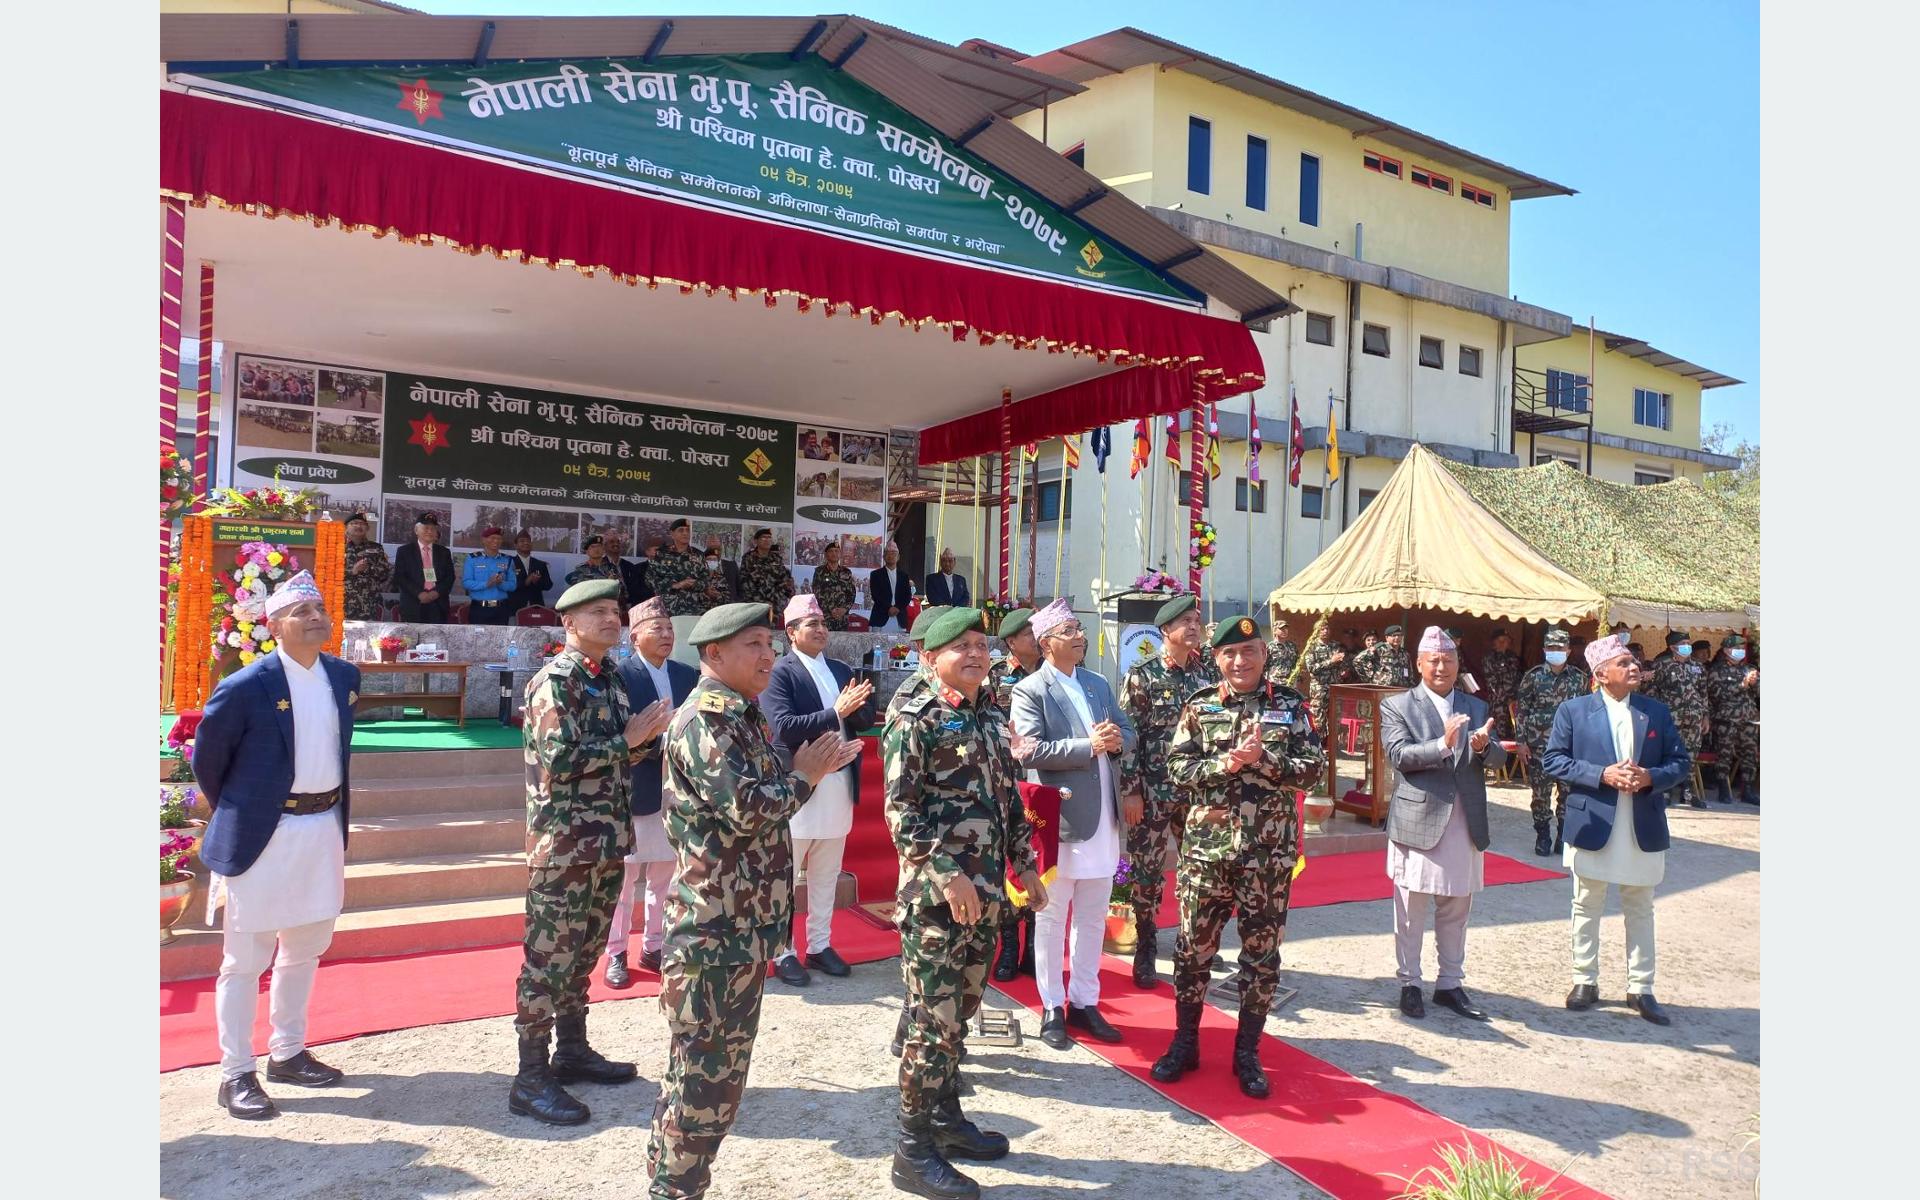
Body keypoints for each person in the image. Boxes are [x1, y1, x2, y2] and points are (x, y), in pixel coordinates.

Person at [647, 603, 859, 1199]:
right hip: (712, 933)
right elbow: (750, 809)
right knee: (704, 1085)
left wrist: (801, 773)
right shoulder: (708, 721)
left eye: (770, 644)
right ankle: (674, 1188)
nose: (768, 656)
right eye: (754, 645)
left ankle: (674, 1181)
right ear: (713, 654)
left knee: (708, 1078)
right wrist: (805, 775)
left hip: (737, 928)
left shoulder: (741, 716)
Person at [884, 607, 1046, 1200]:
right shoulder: (915, 717)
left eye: (981, 644)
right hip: (937, 899)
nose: (976, 654)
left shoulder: (989, 713)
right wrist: (948, 875)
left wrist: (1025, 865)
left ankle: (946, 1119)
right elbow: (901, 810)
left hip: (985, 895)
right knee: (933, 1024)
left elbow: (1008, 799)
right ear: (931, 657)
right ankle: (911, 1150)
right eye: (962, 646)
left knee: (962, 1013)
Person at [194, 572, 359, 1119]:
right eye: (300, 611)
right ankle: (235, 1071)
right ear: (274, 626)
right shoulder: (246, 684)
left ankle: (287, 1053)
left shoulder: (344, 676)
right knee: (245, 960)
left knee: (305, 949)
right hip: (263, 834)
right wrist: (247, 808)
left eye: (319, 608)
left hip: (322, 827)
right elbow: (208, 761)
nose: (315, 617)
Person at [510, 579, 673, 1125]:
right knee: (548, 961)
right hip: (563, 845)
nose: (611, 619)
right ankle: (530, 1077)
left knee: (583, 953)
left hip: (605, 838)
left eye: (614, 611)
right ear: (568, 623)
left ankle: (572, 1050)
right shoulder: (556, 681)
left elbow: (621, 751)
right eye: (597, 611)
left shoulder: (611, 679)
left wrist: (651, 738)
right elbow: (559, 758)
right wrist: (628, 741)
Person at [1154, 614, 1323, 1099]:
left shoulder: (1290, 705)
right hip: (1206, 855)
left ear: (1264, 654)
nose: (1239, 660)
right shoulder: (1200, 705)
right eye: (1229, 653)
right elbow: (1177, 768)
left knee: (1261, 957)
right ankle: (1185, 1042)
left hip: (1267, 857)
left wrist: (1263, 760)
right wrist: (1225, 763)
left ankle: (1247, 1052)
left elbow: (1313, 770)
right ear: (1216, 658)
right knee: (1192, 951)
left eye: (1249, 651)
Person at [1011, 599, 1140, 1049]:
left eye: (1078, 629)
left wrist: (1118, 740)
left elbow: (1129, 732)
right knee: (1050, 916)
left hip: (1103, 816)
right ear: (1046, 644)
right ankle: (1052, 1005)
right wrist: (1089, 745)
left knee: (1092, 916)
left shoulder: (1097, 683)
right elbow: (1027, 750)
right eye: (1068, 631)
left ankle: (1085, 1001)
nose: (1079, 636)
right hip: (1060, 819)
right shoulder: (1030, 690)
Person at [1543, 634, 1691, 1027]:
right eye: (1623, 663)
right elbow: (1553, 760)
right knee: (1586, 904)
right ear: (1601, 674)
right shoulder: (1573, 711)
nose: (1633, 666)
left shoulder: (1655, 712)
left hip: (1642, 824)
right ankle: (1584, 980)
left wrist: (1651, 778)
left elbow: (1680, 762)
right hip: (1593, 823)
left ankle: (1641, 987)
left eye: (1633, 661)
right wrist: (1601, 774)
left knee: (1640, 906)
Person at [1377, 627, 1508, 1022]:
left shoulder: (1475, 705)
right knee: (1410, 909)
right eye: (1433, 660)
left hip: (1464, 819)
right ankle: (1410, 983)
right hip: (1418, 818)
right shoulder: (1398, 705)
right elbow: (1398, 755)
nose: (1441, 667)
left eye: (1448, 660)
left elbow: (1498, 758)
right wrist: (1443, 745)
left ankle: (1450, 984)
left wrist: (1483, 749)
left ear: (1457, 663)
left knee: (1457, 906)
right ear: (1419, 664)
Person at [762, 594, 878, 987]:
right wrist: (836, 712)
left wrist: (860, 705)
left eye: (823, 622)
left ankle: (819, 944)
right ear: (791, 633)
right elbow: (783, 726)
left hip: (839, 781)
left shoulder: (840, 668)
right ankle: (783, 951)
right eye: (812, 624)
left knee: (827, 873)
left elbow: (862, 718)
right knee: (786, 874)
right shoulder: (781, 673)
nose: (821, 629)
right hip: (799, 785)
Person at [1117, 593, 1219, 988]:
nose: (1194, 627)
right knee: (1147, 871)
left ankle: (1192, 940)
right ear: (1165, 630)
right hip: (1153, 792)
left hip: (1196, 792)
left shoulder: (1206, 675)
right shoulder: (1141, 675)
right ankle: (1145, 942)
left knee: (1200, 868)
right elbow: (1129, 739)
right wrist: (1131, 791)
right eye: (1185, 622)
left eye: (1196, 620)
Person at [604, 597, 699, 989]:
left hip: (676, 789)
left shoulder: (687, 674)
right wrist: (654, 736)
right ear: (635, 636)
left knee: (665, 876)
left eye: (669, 628)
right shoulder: (619, 675)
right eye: (656, 628)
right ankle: (616, 952)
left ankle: (654, 945)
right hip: (634, 786)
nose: (666, 634)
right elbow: (616, 733)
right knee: (624, 880)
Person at [986, 606, 1040, 980]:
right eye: (1028, 634)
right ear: (1011, 642)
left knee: (1040, 858)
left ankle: (1033, 946)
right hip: (1007, 781)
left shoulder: (1053, 671)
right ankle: (1008, 945)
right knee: (1009, 861)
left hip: (1044, 782)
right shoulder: (995, 676)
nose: (1036, 639)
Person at [1513, 629, 1592, 856]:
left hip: (1569, 748)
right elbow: (1522, 712)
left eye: (1560, 648)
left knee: (1568, 794)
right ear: (1544, 649)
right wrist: (1521, 742)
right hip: (1539, 747)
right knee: (1540, 795)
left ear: (1568, 650)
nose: (1555, 651)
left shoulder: (1579, 678)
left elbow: (1586, 713)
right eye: (1551, 648)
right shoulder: (1533, 677)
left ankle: (1563, 837)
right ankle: (1543, 835)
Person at [1641, 631, 1710, 809]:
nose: (1687, 646)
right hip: (1672, 718)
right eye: (1683, 643)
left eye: (1688, 642)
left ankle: (1688, 791)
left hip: (1694, 718)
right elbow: (1651, 691)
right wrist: (1656, 715)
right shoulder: (1662, 665)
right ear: (1672, 647)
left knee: (1691, 754)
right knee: (1668, 752)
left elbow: (1703, 694)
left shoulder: (1698, 667)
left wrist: (1705, 716)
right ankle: (1665, 790)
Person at [1704, 634, 1760, 805]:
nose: (1740, 651)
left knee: (1749, 755)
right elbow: (1717, 695)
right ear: (1727, 650)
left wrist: (1755, 683)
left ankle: (1748, 791)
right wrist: (1742, 685)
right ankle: (1723, 788)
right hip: (1727, 720)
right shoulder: (1717, 671)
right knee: (1725, 755)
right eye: (1736, 648)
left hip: (1749, 720)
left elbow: (1758, 694)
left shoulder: (1748, 669)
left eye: (1742, 648)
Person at [392, 513, 455, 622]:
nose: (429, 531)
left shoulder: (444, 552)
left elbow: (450, 577)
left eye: (433, 528)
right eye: (426, 528)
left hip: (438, 605)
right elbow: (400, 577)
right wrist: (419, 593)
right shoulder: (404, 551)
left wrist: (436, 592)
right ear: (416, 530)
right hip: (413, 604)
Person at [650, 518, 709, 622]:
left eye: (687, 530)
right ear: (672, 534)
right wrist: (675, 585)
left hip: (694, 610)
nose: (685, 533)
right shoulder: (661, 554)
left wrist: (694, 584)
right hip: (667, 610)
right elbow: (650, 579)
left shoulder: (699, 555)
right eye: (681, 530)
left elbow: (706, 580)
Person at [1300, 622, 1350, 739]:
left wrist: (1344, 669)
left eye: (1327, 629)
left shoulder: (1335, 645)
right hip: (1320, 689)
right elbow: (1312, 669)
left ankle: (1334, 746)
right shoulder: (1311, 647)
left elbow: (1343, 663)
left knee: (1336, 719)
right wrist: (1331, 661)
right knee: (1318, 720)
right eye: (1322, 629)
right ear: (1316, 631)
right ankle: (1318, 744)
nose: (1325, 631)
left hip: (1335, 687)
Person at [341, 512, 391, 621]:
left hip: (369, 604)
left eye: (362, 524)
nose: (358, 526)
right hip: (342, 604)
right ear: (346, 528)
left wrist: (368, 568)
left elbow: (385, 574)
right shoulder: (336, 548)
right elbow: (329, 574)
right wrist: (352, 571)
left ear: (367, 528)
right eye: (354, 523)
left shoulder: (376, 548)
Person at [463, 527, 518, 625]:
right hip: (479, 609)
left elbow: (513, 585)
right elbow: (466, 583)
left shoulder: (507, 560)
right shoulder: (472, 558)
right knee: (478, 635)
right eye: (492, 538)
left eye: (499, 538)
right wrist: (487, 584)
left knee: (501, 635)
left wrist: (500, 583)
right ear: (483, 540)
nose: (496, 541)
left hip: (501, 609)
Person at [738, 528, 795, 617]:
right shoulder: (748, 558)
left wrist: (777, 599)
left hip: (775, 605)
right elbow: (744, 582)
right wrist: (762, 602)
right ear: (756, 541)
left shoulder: (776, 558)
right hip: (755, 605)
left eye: (769, 537)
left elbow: (784, 580)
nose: (767, 540)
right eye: (764, 537)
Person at [564, 536, 627, 611]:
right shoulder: (581, 569)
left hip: (609, 608)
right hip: (588, 609)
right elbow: (577, 592)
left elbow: (622, 590)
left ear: (603, 550)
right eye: (593, 547)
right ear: (587, 552)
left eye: (599, 546)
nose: (596, 549)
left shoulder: (612, 568)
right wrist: (607, 585)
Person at [1479, 629, 1522, 740]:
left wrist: (1516, 698)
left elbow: (1519, 678)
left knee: (1515, 733)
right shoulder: (1489, 658)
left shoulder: (1514, 658)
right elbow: (1491, 682)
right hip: (1498, 703)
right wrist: (1507, 699)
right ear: (1494, 642)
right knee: (1499, 734)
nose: (1502, 643)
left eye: (1505, 640)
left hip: (1514, 703)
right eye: (1499, 640)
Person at [869, 541, 914, 632]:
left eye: (893, 553)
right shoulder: (875, 574)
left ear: (898, 557)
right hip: (880, 617)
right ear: (883, 556)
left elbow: (907, 596)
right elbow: (876, 595)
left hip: (899, 617)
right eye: (888, 553)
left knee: (900, 642)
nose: (890, 556)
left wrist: (897, 608)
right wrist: (889, 608)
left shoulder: (904, 576)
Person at [811, 541, 857, 631]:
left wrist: (844, 609)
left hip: (842, 618)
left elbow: (852, 594)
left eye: (836, 551)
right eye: (831, 551)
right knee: (824, 639)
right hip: (826, 617)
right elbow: (817, 594)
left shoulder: (846, 572)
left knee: (842, 640)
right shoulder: (819, 571)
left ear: (840, 554)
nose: (834, 554)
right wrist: (831, 609)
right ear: (826, 554)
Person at [508, 530, 554, 617]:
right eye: (522, 541)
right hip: (514, 609)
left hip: (536, 609)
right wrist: (526, 581)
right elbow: (506, 585)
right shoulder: (509, 563)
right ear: (515, 545)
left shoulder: (540, 564)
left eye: (528, 541)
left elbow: (548, 585)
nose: (526, 543)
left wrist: (536, 581)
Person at [607, 531, 652, 611]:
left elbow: (635, 589)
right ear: (605, 546)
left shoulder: (629, 566)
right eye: (611, 542)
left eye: (618, 542)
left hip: (630, 607)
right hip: (609, 606)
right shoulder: (600, 565)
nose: (616, 544)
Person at [702, 538, 741, 609]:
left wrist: (718, 595)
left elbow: (731, 594)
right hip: (703, 610)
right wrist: (706, 592)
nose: (712, 562)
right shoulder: (699, 576)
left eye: (714, 560)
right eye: (709, 559)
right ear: (704, 561)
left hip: (721, 610)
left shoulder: (721, 578)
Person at [1265, 615, 1300, 684]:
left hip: (1290, 682)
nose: (1285, 631)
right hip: (1275, 682)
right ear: (1275, 631)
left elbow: (1297, 662)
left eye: (1286, 628)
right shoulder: (1270, 647)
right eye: (1281, 629)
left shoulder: (1292, 646)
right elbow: (1263, 666)